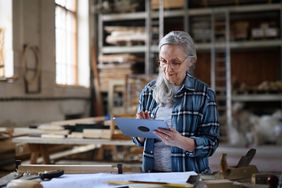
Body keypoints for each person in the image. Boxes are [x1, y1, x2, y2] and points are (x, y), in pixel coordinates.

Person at [133, 31, 220, 173]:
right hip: (152, 177)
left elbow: (211, 143)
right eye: (163, 61)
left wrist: (181, 141)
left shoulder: (204, 94)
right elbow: (138, 141)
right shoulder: (149, 91)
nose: (168, 69)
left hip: (189, 177)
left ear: (190, 61)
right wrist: (141, 130)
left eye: (175, 62)